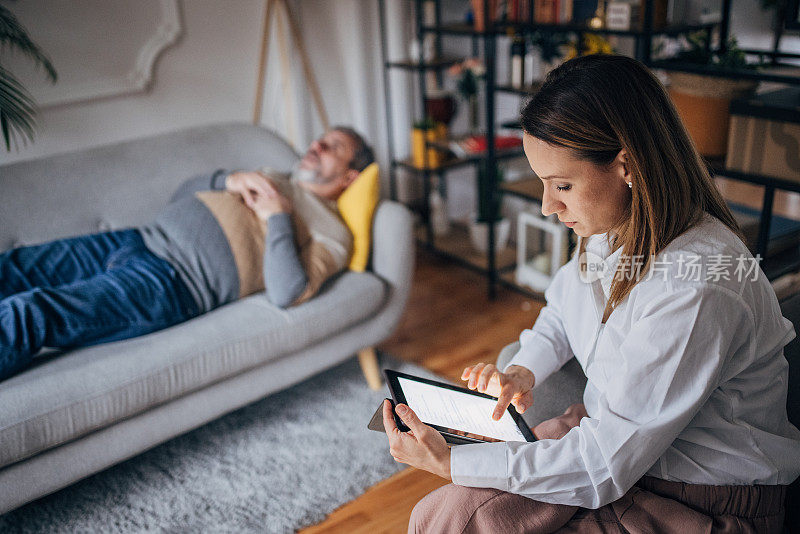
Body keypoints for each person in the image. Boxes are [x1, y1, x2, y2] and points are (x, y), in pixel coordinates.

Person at [383, 55, 800, 532]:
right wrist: (524, 368)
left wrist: (451, 463)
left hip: (700, 497)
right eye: (545, 184)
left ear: (627, 166)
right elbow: (564, 308)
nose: (546, 206)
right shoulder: (612, 226)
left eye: (562, 185)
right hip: (622, 446)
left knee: (459, 519)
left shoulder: (696, 286)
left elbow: (603, 466)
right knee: (441, 516)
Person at [0, 126, 374, 381]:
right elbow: (181, 197)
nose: (317, 146)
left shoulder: (333, 230)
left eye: (333, 147)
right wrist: (228, 180)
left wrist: (277, 218)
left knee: (31, 311)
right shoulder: (272, 175)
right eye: (320, 140)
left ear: (350, 177)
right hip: (136, 238)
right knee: (12, 267)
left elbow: (288, 291)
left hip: (171, 284)